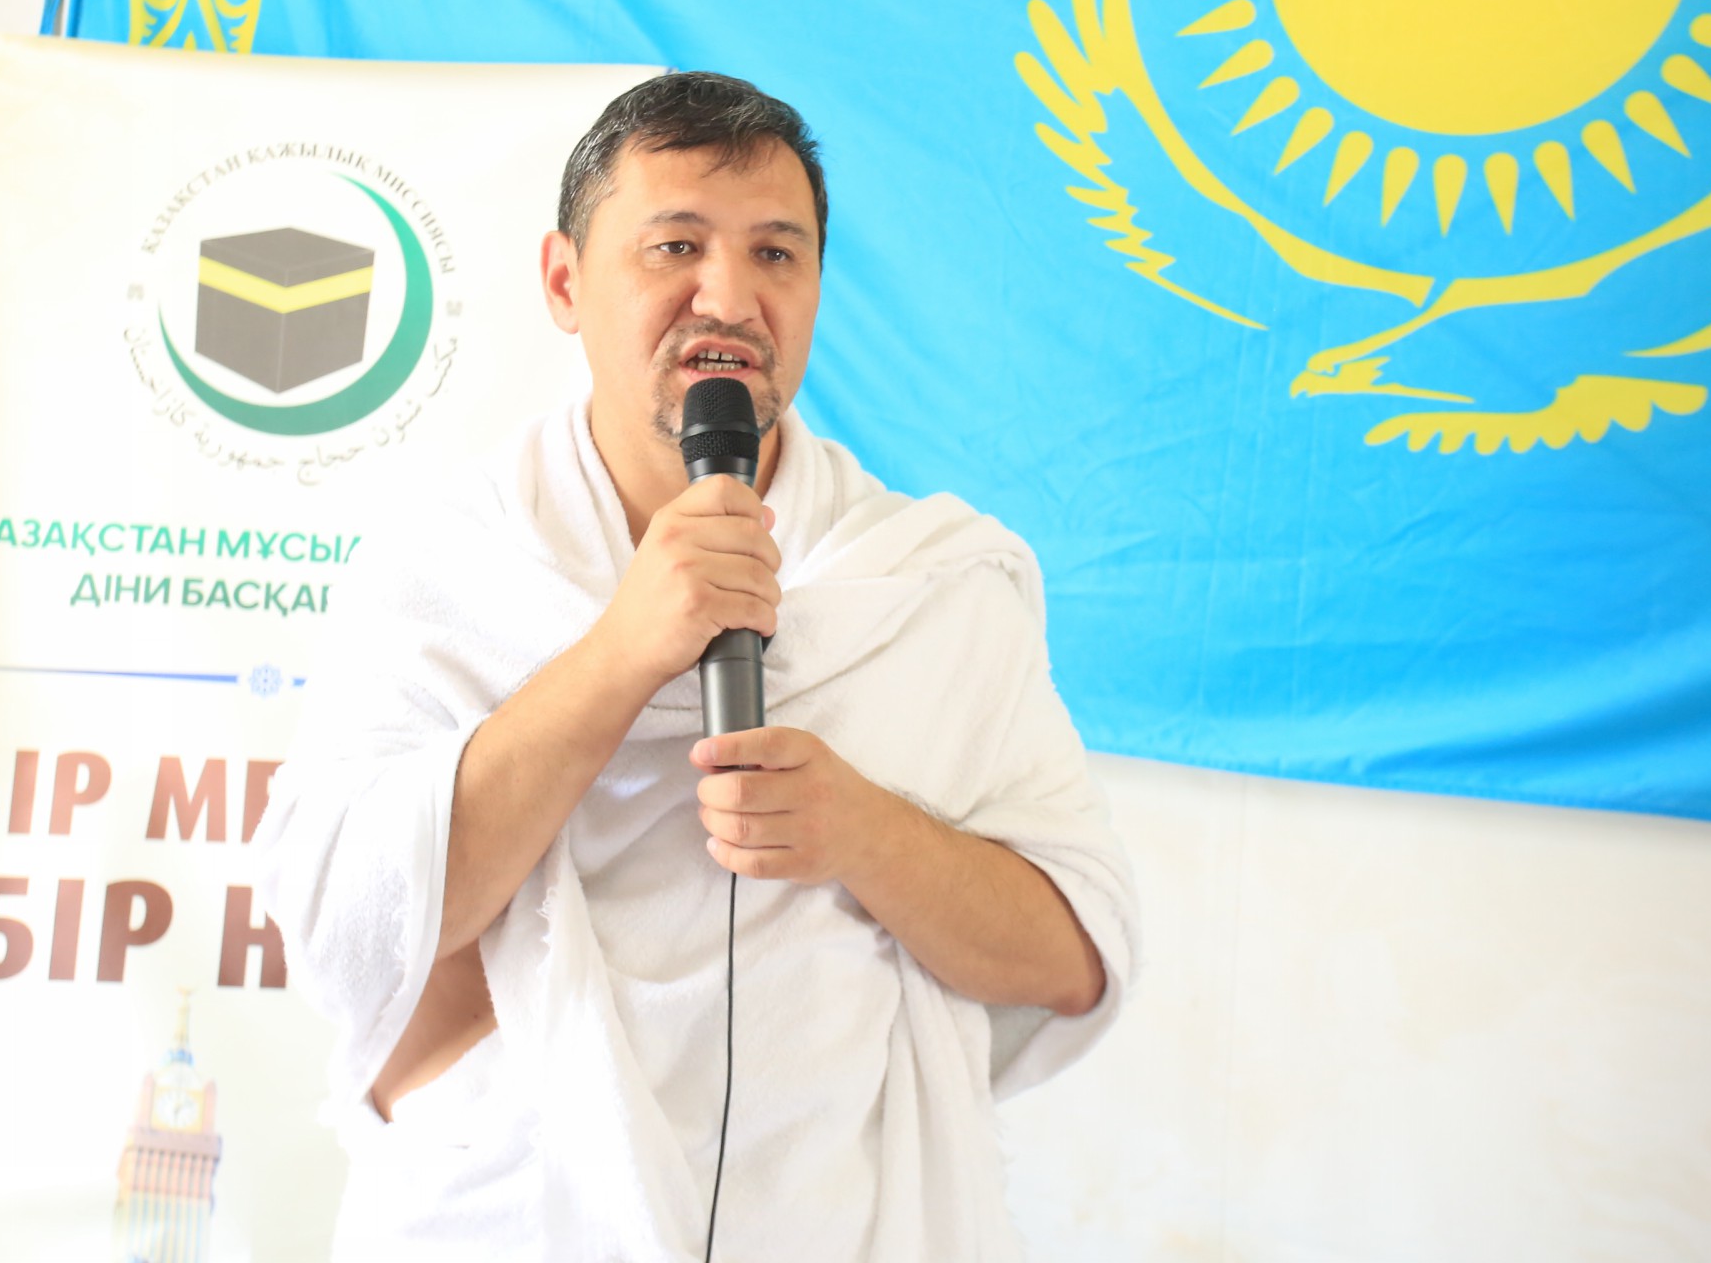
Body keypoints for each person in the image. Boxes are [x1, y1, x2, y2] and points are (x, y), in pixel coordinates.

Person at [251, 72, 1139, 1261]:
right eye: (676, 245)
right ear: (564, 282)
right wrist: (622, 653)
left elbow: (1074, 958)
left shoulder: (931, 587)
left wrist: (865, 832)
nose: (728, 297)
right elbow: (345, 925)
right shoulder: (443, 565)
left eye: (777, 253)